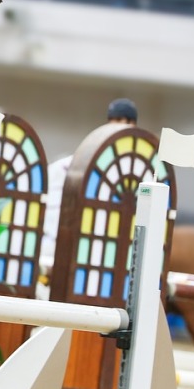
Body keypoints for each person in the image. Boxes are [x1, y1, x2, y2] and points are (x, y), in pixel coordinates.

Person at [41, 98, 138, 266]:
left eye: (125, 123)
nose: (118, 129)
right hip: (59, 244)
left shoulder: (136, 169)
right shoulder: (68, 165)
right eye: (114, 122)